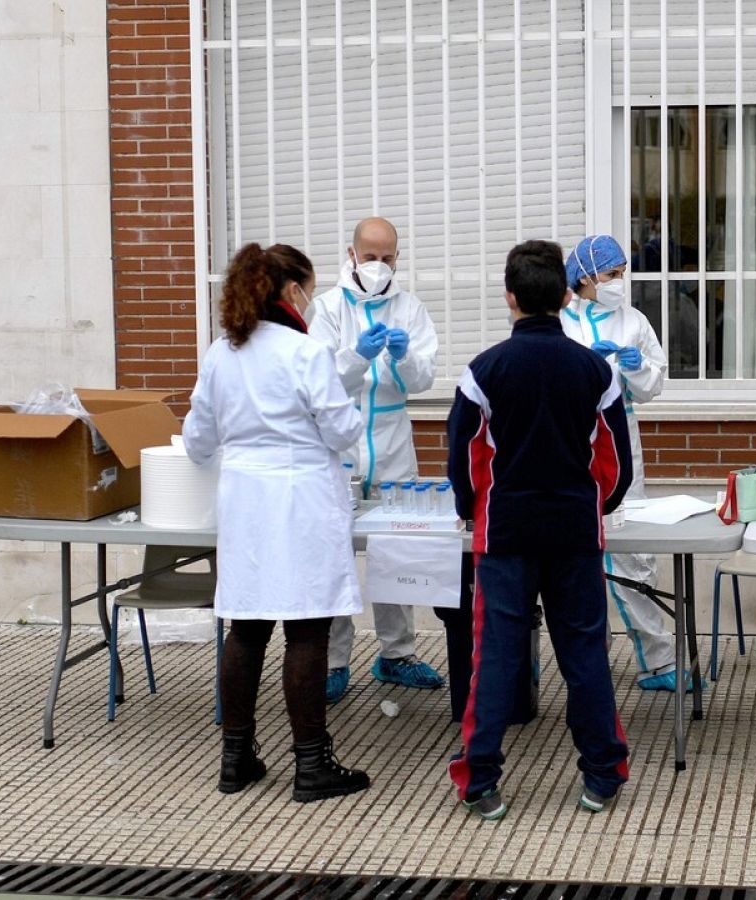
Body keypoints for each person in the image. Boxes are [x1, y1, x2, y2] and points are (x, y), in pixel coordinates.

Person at [446, 240, 633, 821]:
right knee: (584, 653)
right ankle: (602, 775)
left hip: (504, 533)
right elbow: (615, 465)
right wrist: (597, 505)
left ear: (510, 298)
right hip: (575, 529)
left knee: (497, 656)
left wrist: (472, 506)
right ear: (563, 295)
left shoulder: (483, 371)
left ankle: (480, 780)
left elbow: (462, 457)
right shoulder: (596, 370)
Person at [183, 242, 371, 803]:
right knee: (307, 629)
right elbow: (341, 431)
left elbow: (197, 441)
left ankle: (235, 758)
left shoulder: (221, 353)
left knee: (246, 627)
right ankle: (312, 765)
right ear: (293, 291)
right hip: (301, 499)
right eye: (310, 289)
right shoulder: (304, 352)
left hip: (245, 503)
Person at [309, 217, 445, 703]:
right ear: (351, 254)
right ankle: (331, 661)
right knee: (334, 554)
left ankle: (397, 653)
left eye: (388, 258)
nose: (379, 266)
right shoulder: (326, 308)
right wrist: (354, 357)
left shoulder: (410, 308)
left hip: (390, 443)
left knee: (396, 550)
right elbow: (316, 378)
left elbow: (423, 378)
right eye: (371, 257)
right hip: (339, 445)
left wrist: (405, 359)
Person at [562, 234, 684, 692]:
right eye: (611, 274)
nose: (619, 282)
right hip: (572, 441)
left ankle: (658, 660)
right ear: (584, 278)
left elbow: (655, 385)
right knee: (578, 555)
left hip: (619, 437)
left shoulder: (633, 320)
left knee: (635, 552)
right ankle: (591, 653)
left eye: (621, 273)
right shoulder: (560, 324)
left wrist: (635, 367)